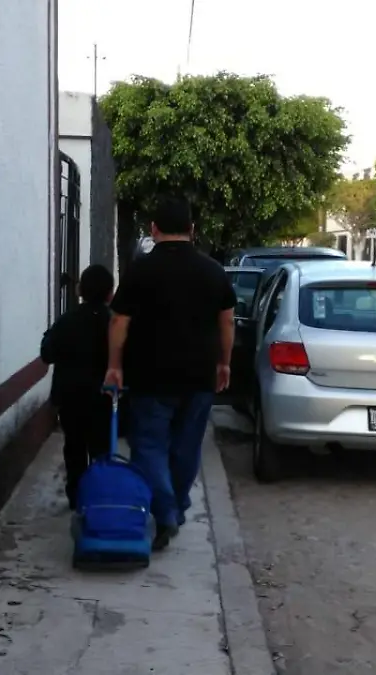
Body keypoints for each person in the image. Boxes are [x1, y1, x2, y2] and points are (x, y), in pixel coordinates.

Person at [104, 196, 236, 551]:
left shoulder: (140, 270)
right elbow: (226, 322)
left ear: (154, 229)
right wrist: (224, 363)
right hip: (199, 374)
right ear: (192, 229)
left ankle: (165, 510)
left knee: (149, 446)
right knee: (186, 446)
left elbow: (119, 321)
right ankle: (174, 505)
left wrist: (114, 365)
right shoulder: (213, 271)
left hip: (149, 375)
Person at [40, 264, 116, 510]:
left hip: (70, 397)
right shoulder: (114, 323)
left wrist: (48, 336)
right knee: (101, 447)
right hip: (103, 397)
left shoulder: (66, 321)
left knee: (74, 446)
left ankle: (76, 495)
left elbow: (47, 354)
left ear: (80, 290)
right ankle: (100, 493)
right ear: (110, 294)